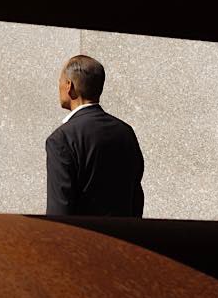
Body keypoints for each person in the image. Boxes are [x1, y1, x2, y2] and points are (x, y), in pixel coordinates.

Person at [45, 55, 144, 216]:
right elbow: (136, 200)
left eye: (60, 82)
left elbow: (59, 211)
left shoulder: (62, 139)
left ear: (69, 86)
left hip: (83, 239)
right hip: (123, 238)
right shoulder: (126, 133)